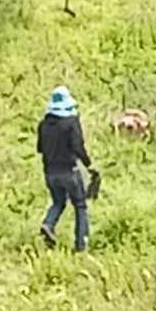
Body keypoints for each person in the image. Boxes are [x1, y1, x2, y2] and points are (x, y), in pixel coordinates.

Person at [37, 86, 95, 252]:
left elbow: (40, 148)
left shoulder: (43, 124)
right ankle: (81, 243)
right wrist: (89, 165)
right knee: (80, 205)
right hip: (69, 171)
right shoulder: (71, 123)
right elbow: (78, 146)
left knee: (58, 202)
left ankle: (48, 223)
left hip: (49, 172)